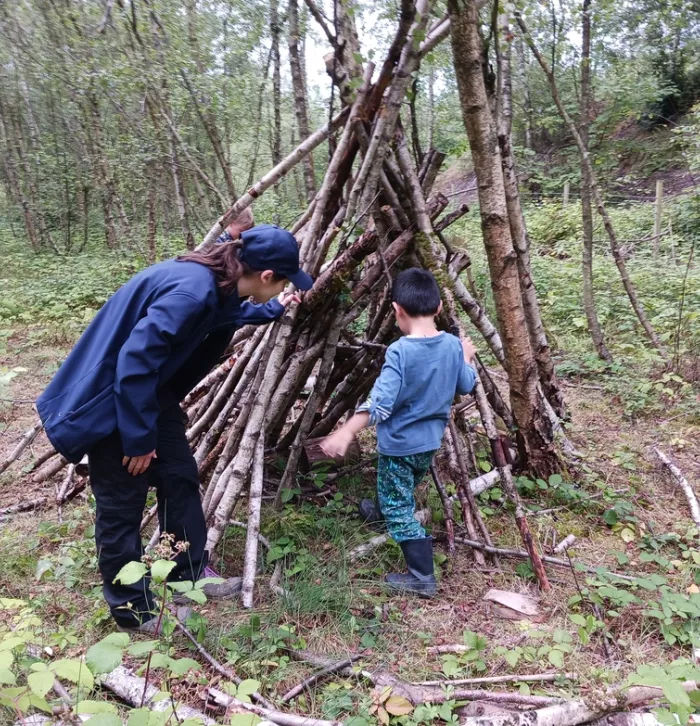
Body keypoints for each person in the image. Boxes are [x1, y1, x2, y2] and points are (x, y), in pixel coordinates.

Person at [36, 224, 314, 632]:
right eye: (284, 282)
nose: (284, 287)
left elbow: (224, 314)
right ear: (267, 276)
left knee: (179, 476)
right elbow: (134, 362)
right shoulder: (192, 291)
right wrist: (138, 439)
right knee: (121, 503)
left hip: (147, 395)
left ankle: (186, 574)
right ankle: (133, 611)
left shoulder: (217, 283)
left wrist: (271, 309)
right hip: (114, 402)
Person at [321, 268, 477, 598]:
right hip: (428, 445)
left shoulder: (400, 352)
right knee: (398, 487)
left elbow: (381, 402)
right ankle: (382, 510)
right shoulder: (452, 345)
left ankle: (421, 576)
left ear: (396, 311)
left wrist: (347, 430)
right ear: (438, 309)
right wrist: (466, 359)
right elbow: (466, 384)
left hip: (399, 447)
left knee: (400, 508)